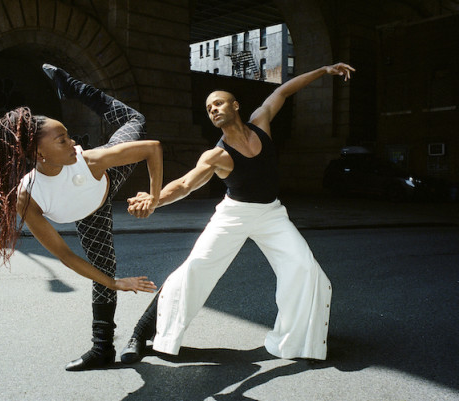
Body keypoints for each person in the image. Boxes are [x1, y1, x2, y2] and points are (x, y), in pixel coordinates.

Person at [121, 62, 355, 364]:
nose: (214, 109)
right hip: (234, 214)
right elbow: (184, 184)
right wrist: (154, 200)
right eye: (209, 109)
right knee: (195, 268)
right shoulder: (216, 155)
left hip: (272, 214)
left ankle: (294, 342)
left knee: (306, 270)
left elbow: (284, 90)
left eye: (219, 103)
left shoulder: (262, 122)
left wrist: (324, 71)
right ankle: (141, 334)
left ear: (236, 105)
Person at [0, 64, 161, 371]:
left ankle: (73, 87)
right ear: (39, 155)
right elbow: (64, 255)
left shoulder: (88, 159)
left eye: (68, 135)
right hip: (91, 214)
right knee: (102, 270)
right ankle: (102, 349)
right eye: (62, 140)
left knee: (136, 120)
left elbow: (152, 149)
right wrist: (114, 283)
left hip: (105, 177)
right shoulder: (28, 196)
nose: (73, 142)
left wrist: (153, 198)